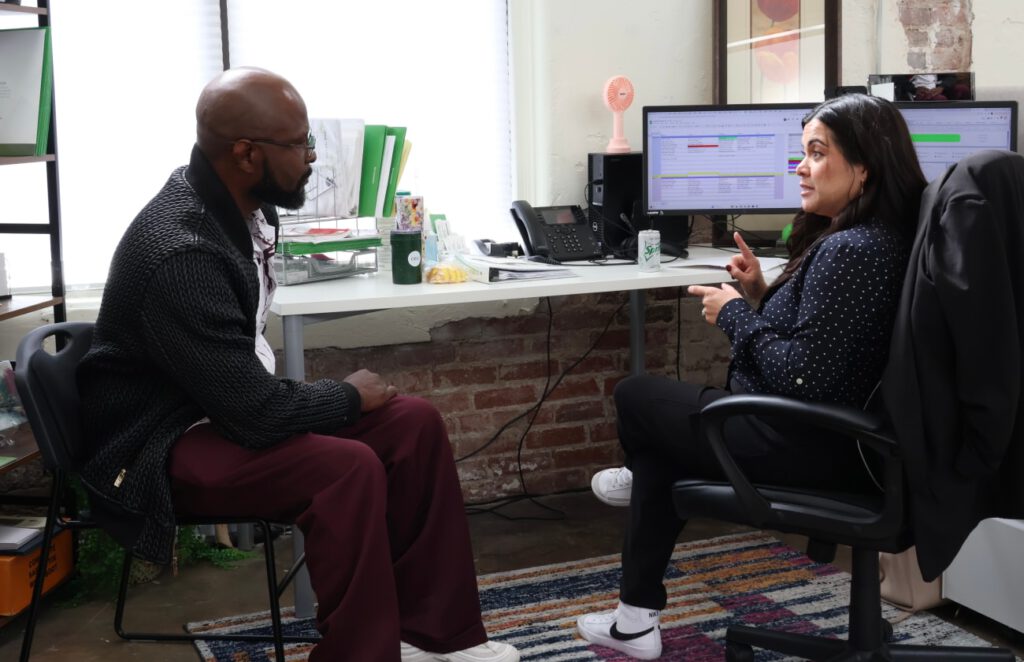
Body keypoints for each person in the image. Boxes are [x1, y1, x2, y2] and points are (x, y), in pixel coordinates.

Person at [75, 67, 519, 662]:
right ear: (246, 153)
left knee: (413, 424)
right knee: (345, 468)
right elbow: (256, 415)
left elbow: (246, 396)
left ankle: (431, 636)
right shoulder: (180, 253)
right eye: (301, 143)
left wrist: (343, 400)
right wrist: (345, 396)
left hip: (213, 408)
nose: (313, 157)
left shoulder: (246, 210)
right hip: (157, 443)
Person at [579, 93, 927, 659]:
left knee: (636, 395)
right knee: (660, 449)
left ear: (865, 167)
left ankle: (635, 609)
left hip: (810, 444)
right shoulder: (880, 239)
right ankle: (633, 620)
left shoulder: (852, 251)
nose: (800, 167)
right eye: (802, 152)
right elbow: (829, 347)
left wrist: (735, 314)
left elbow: (805, 377)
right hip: (845, 439)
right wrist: (761, 293)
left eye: (817, 153)